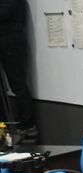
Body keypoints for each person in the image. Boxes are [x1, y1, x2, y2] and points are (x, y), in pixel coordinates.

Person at [0, 0, 37, 142]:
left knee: (18, 85)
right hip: (6, 41)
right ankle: (3, 127)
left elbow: (4, 13)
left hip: (11, 42)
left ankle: (28, 126)